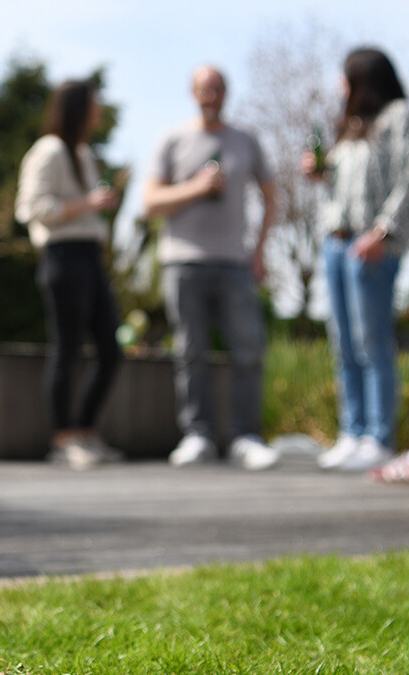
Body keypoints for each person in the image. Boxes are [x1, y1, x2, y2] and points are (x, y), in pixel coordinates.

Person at [143, 65, 278, 470]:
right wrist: (197, 187)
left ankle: (245, 436)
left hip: (235, 262)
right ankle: (197, 435)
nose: (211, 95)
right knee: (191, 352)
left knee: (248, 349)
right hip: (183, 261)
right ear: (193, 93)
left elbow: (271, 195)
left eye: (218, 88)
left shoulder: (245, 141)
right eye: (205, 88)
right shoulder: (173, 139)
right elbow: (150, 203)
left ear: (226, 93)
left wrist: (260, 249)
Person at [302, 48, 409, 473]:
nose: (338, 85)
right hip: (337, 243)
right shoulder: (350, 129)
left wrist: (383, 231)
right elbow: (347, 188)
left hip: (372, 244)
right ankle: (353, 431)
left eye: (343, 76)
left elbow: (406, 176)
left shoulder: (398, 116)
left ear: (362, 78)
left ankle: (378, 437)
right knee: (342, 343)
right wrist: (321, 172)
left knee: (372, 342)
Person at [14, 79, 123, 470]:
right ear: (79, 106)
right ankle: (62, 439)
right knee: (67, 348)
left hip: (90, 257)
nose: (99, 110)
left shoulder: (83, 152)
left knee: (111, 349)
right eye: (95, 103)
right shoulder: (48, 150)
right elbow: (29, 208)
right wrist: (88, 204)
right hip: (63, 256)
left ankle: (85, 432)